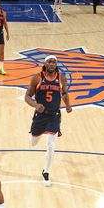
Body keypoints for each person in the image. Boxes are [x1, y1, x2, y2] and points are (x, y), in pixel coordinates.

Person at [24, 55, 72, 187]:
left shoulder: (61, 78)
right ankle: (33, 132)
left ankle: (46, 172)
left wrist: (67, 105)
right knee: (33, 143)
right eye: (49, 62)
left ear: (56, 64)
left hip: (54, 116)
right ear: (45, 64)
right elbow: (27, 96)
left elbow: (64, 93)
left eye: (54, 62)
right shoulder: (37, 78)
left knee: (50, 146)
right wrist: (35, 105)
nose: (52, 64)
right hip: (40, 116)